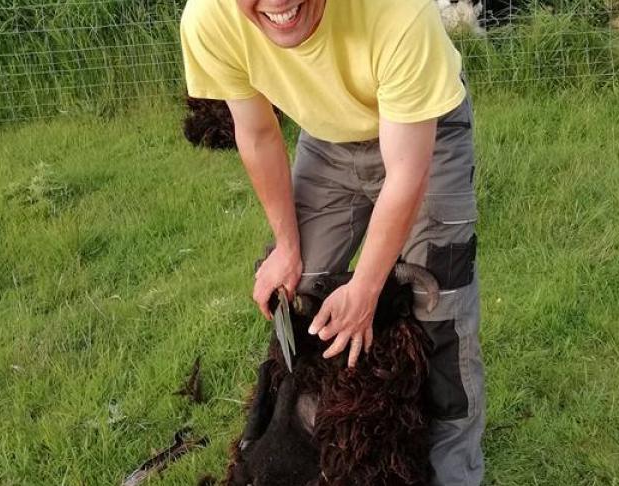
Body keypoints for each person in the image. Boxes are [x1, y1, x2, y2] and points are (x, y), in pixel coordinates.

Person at [180, 0, 485, 483]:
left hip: (425, 130)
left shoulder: (398, 11)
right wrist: (286, 247)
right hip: (328, 136)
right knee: (298, 296)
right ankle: (298, 454)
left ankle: (451, 472)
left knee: (438, 310)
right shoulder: (210, 18)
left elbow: (407, 173)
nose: (278, 3)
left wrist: (366, 289)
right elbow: (257, 133)